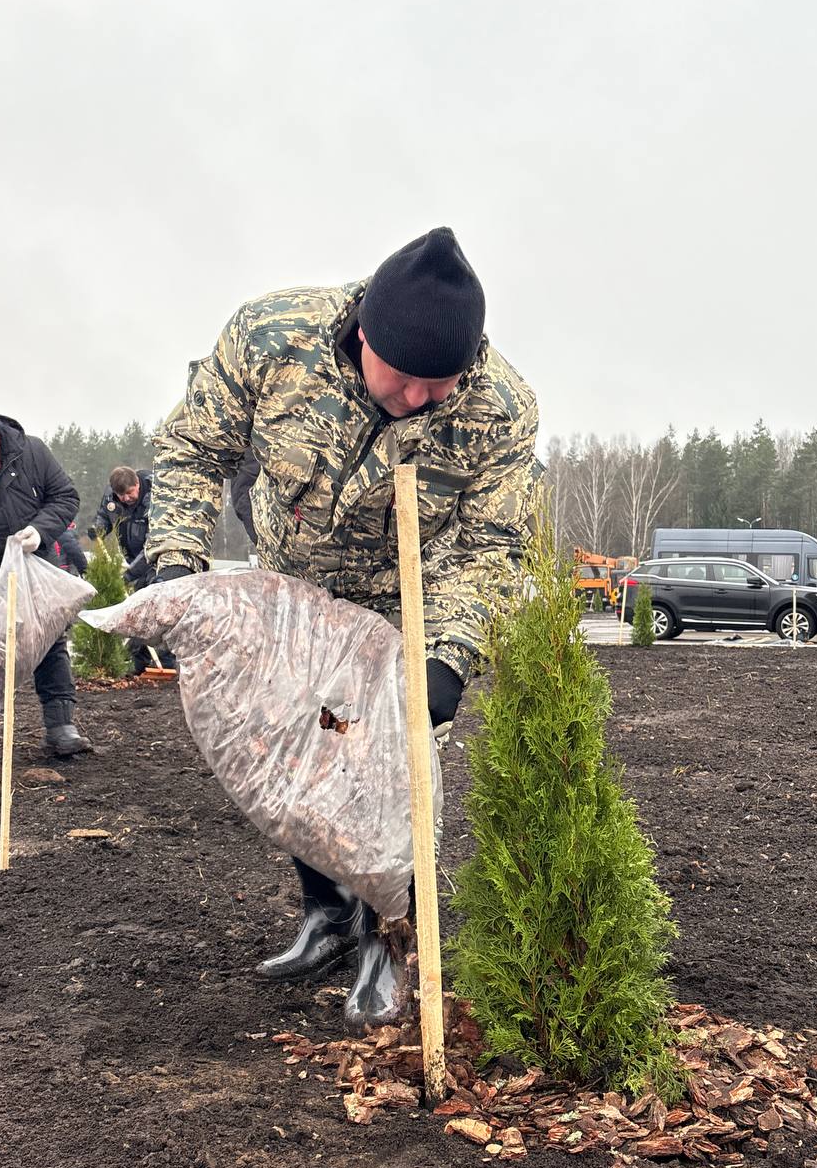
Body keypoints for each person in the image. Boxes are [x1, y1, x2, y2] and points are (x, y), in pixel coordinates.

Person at [146, 227, 540, 1032]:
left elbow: (491, 544)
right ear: (363, 335)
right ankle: (327, 916)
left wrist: (449, 656)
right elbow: (193, 449)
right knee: (306, 756)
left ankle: (389, 942)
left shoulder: (501, 410)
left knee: (392, 772)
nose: (421, 399)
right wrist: (176, 566)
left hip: (407, 606)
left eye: (440, 383)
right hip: (296, 598)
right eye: (405, 378)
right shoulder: (271, 338)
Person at [0, 412, 94, 761]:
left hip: (32, 566)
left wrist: (40, 531)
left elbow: (65, 497)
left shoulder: (32, 453)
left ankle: (61, 727)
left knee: (48, 642)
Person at [91, 466, 174, 672]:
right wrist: (98, 529)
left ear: (137, 484)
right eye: (121, 495)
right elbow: (104, 515)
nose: (126, 498)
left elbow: (153, 545)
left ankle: (166, 661)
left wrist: (129, 574)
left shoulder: (156, 497)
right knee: (138, 611)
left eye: (130, 493)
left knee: (157, 609)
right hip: (133, 557)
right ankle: (139, 662)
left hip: (159, 559)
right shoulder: (112, 498)